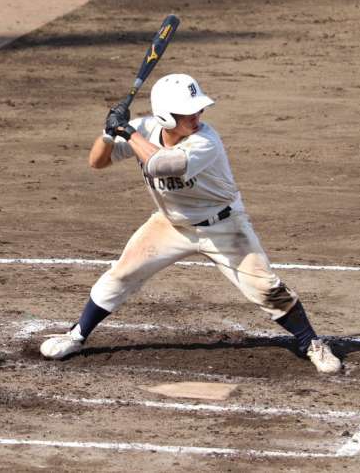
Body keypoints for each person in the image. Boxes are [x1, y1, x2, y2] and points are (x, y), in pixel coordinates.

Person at [40, 74, 342, 374]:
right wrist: (108, 134)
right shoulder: (145, 130)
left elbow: (162, 165)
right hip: (171, 224)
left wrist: (128, 132)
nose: (197, 115)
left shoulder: (205, 140)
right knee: (122, 274)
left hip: (223, 226)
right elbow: (97, 162)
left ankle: (311, 343)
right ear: (166, 117)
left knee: (265, 287)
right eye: (188, 112)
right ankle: (76, 335)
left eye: (198, 109)